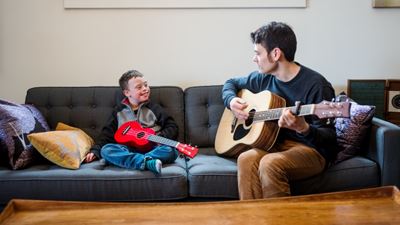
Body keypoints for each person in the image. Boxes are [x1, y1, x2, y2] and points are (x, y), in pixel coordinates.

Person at [222, 21, 337, 199]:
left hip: (311, 150)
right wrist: (231, 101)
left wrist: (303, 128)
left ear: (275, 54)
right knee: (246, 158)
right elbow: (231, 83)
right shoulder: (263, 79)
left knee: (270, 163)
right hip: (275, 145)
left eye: (258, 53)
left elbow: (329, 139)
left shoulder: (316, 85)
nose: (254, 59)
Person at [84, 70, 179, 175]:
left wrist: (158, 138)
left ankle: (133, 161)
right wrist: (95, 150)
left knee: (171, 151)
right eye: (139, 87)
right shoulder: (118, 111)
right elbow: (107, 134)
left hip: (153, 148)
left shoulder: (154, 108)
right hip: (128, 150)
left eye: (146, 85)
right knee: (106, 150)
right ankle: (146, 162)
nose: (145, 89)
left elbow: (172, 126)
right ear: (127, 92)